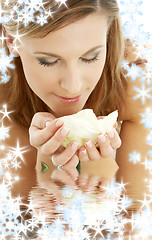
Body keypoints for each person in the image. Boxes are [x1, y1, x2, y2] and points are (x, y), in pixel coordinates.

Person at [0, 0, 150, 172]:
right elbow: (21, 196)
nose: (73, 87)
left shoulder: (138, 87)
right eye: (48, 61)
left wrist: (97, 168)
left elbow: (137, 197)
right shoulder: (5, 100)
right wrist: (50, 162)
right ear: (11, 39)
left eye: (91, 57)